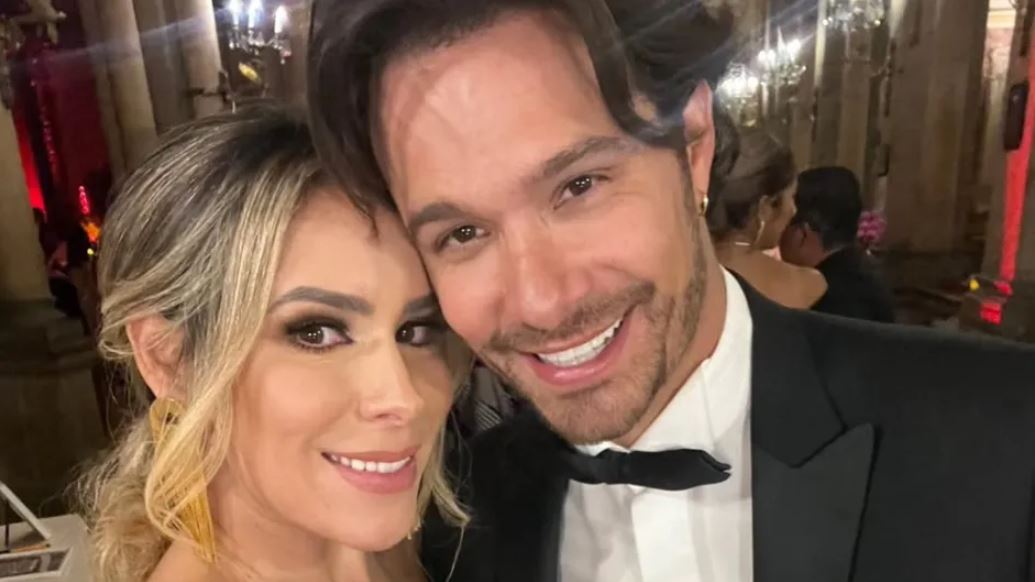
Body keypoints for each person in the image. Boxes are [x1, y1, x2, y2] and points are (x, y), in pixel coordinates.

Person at [307, 1, 1035, 581]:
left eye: (579, 186)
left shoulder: (1006, 440)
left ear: (693, 144)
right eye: (462, 233)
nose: (541, 301)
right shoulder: (454, 524)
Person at [76, 106, 469, 582]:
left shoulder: (421, 550)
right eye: (316, 333)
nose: (404, 398)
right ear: (169, 358)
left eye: (415, 331)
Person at [709, 129, 827, 309]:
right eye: (792, 197)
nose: (794, 210)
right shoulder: (808, 285)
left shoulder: (681, 273)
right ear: (766, 207)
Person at [780, 166, 897, 323]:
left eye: (783, 225)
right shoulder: (867, 274)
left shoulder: (822, 295)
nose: (778, 237)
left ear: (802, 233)